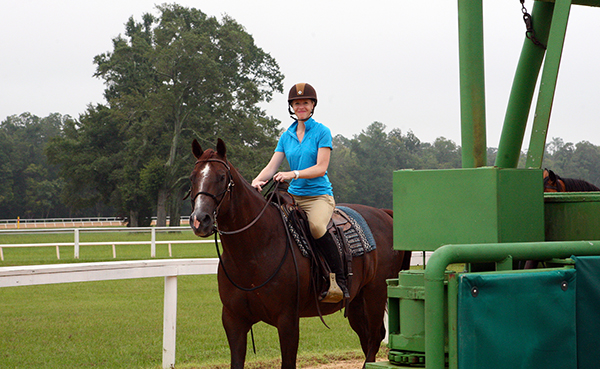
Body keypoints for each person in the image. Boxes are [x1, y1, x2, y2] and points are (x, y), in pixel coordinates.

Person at [251, 83, 349, 302]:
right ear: (292, 107)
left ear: (313, 105)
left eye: (305, 102)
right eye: (297, 103)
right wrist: (257, 180)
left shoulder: (322, 132)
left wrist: (292, 174)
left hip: (318, 197)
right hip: (293, 197)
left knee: (315, 227)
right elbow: (272, 166)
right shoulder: (287, 136)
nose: (301, 106)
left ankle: (340, 280)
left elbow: (321, 167)